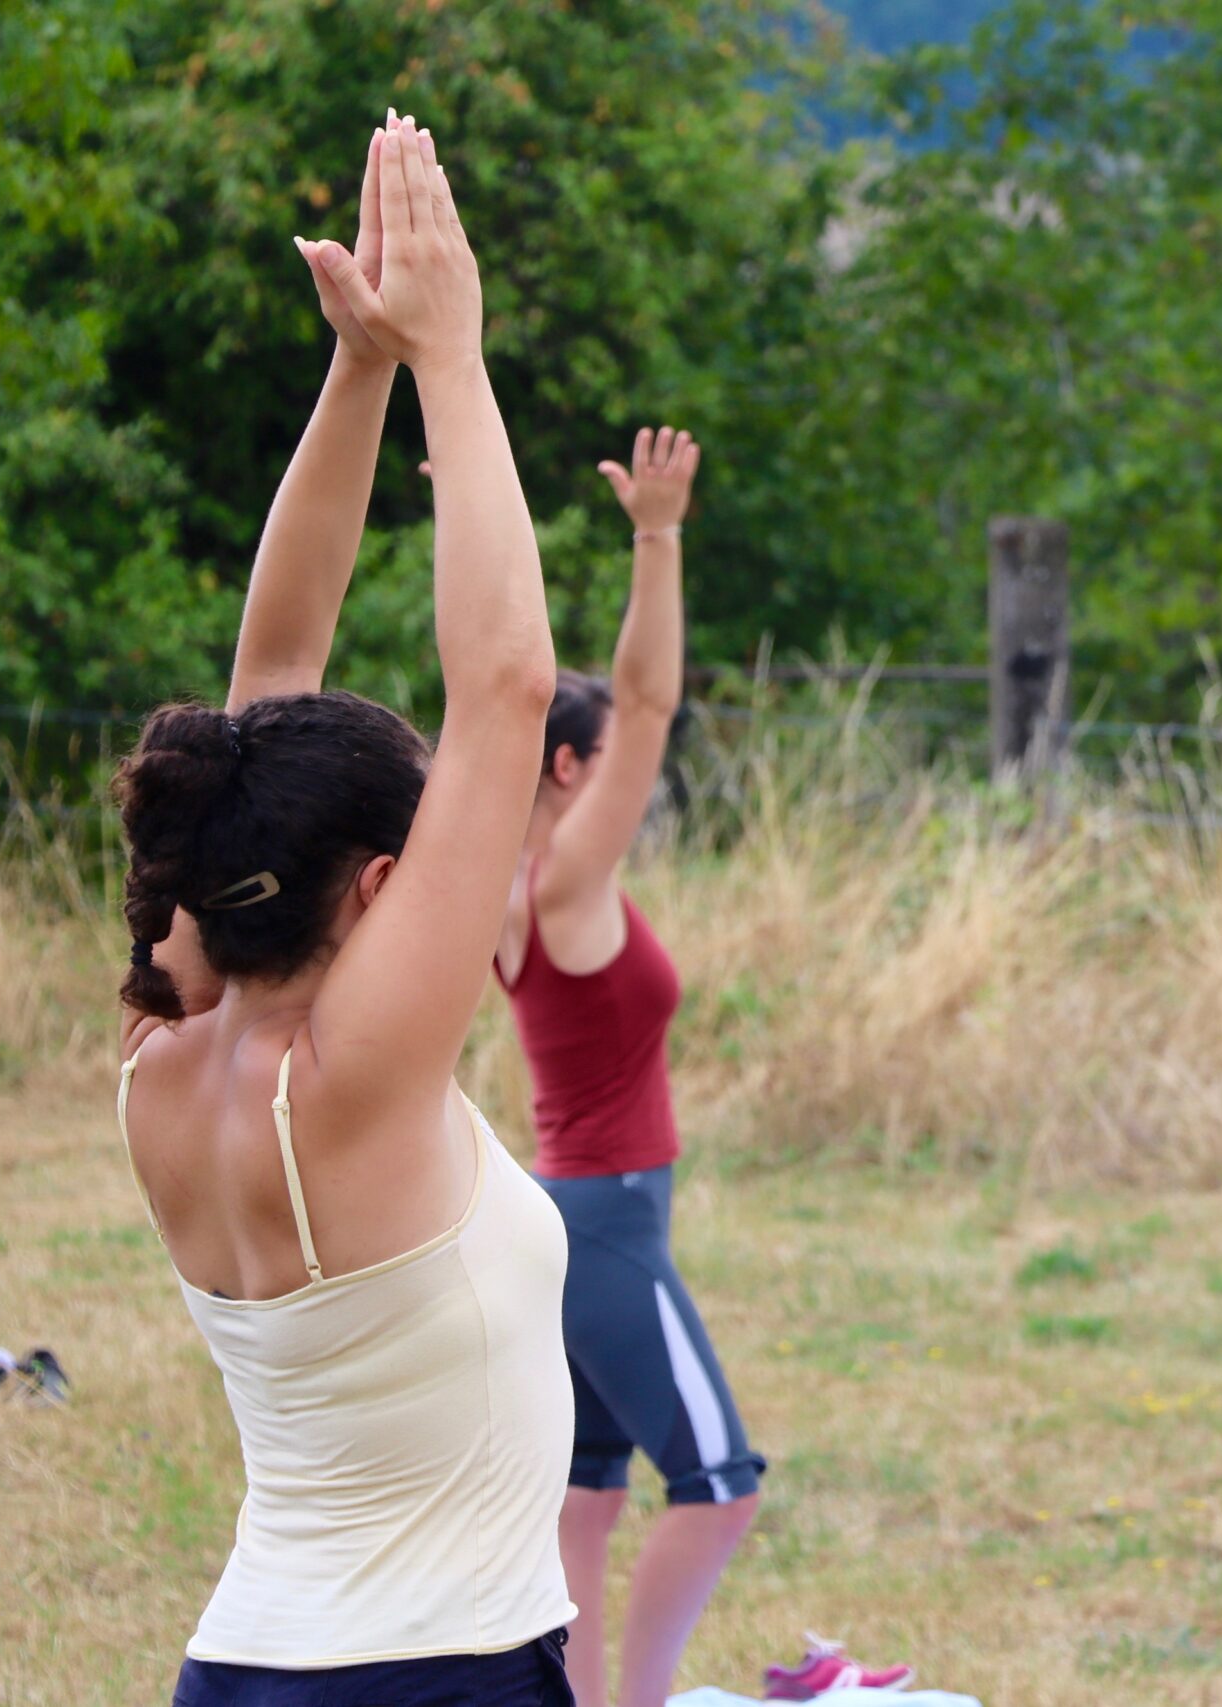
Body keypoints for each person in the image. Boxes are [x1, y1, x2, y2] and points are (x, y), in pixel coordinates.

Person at [112, 114, 578, 1703]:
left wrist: (358, 367)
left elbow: (267, 686)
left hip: (243, 1663)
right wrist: (451, 353)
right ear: (381, 884)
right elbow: (512, 683)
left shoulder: (168, 1043)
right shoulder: (359, 1069)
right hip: (431, 1673)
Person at [494, 424, 764, 1707]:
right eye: (606, 769)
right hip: (603, 1224)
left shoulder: (493, 884)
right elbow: (648, 700)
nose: (632, 785)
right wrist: (656, 536)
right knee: (718, 1487)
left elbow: (491, 679)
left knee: (587, 1502)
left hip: (571, 1217)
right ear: (565, 768)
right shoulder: (564, 881)